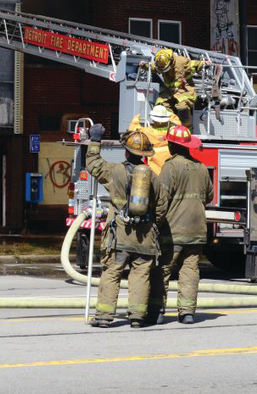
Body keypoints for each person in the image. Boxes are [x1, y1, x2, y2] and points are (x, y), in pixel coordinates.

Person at [86, 123, 163, 328]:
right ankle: (137, 317)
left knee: (112, 272)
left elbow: (93, 163)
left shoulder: (114, 171)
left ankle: (103, 316)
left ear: (127, 152)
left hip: (119, 234)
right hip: (145, 237)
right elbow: (162, 206)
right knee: (141, 275)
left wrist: (95, 140)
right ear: (145, 155)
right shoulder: (153, 178)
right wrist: (152, 224)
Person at [153, 124, 213, 324]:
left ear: (174, 146)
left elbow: (161, 199)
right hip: (197, 230)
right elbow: (209, 195)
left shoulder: (171, 166)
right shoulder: (201, 167)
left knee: (163, 269)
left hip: (174, 230)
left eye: (169, 143)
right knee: (190, 271)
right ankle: (187, 313)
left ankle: (157, 311)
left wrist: (156, 222)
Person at [148, 48, 207, 127]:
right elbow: (153, 67)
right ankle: (171, 125)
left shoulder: (181, 61)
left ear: (171, 60)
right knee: (162, 103)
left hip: (184, 91)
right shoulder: (161, 64)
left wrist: (203, 64)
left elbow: (193, 65)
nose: (162, 69)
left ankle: (186, 127)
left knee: (182, 106)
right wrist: (144, 65)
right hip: (170, 91)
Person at [128, 105, 181, 176]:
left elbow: (133, 130)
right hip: (170, 163)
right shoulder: (172, 129)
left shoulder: (147, 131)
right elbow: (177, 122)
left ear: (152, 118)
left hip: (154, 165)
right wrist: (168, 113)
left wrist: (135, 120)